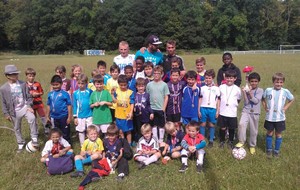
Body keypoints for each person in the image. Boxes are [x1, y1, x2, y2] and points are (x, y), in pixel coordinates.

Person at [0, 65, 39, 152]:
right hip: (13, 111)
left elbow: (28, 96)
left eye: (16, 74)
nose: (16, 75)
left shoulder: (22, 84)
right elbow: (3, 102)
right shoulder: (3, 88)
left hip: (24, 107)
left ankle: (34, 138)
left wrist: (29, 106)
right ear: (8, 76)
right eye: (14, 74)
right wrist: (6, 113)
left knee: (32, 118)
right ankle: (20, 143)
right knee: (17, 127)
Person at [262, 73, 294, 158]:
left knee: (278, 134)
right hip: (269, 117)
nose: (279, 84)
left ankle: (276, 151)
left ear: (283, 82)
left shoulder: (285, 91)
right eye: (277, 82)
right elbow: (262, 98)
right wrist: (265, 107)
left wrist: (286, 107)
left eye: (280, 82)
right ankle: (269, 150)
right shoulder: (268, 90)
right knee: (269, 133)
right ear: (273, 82)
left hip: (280, 118)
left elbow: (291, 99)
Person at [235, 72, 263, 154]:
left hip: (255, 113)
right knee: (241, 124)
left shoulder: (260, 90)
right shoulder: (247, 89)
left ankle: (252, 145)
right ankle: (241, 141)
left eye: (255, 81)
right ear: (249, 81)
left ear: (258, 82)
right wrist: (244, 92)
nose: (254, 83)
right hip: (246, 111)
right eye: (252, 81)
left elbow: (255, 101)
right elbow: (246, 102)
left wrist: (249, 92)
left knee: (253, 130)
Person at [218, 70, 241, 149]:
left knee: (232, 128)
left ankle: (231, 141)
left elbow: (238, 99)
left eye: (231, 78)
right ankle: (222, 141)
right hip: (223, 111)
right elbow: (218, 98)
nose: (229, 79)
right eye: (227, 77)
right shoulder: (221, 87)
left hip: (232, 112)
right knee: (222, 127)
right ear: (225, 78)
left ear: (235, 78)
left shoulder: (237, 89)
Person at [146, 65, 170, 143]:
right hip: (152, 108)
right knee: (154, 124)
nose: (156, 75)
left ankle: (161, 139)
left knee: (161, 125)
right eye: (155, 73)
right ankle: (155, 138)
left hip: (160, 108)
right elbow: (147, 96)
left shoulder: (164, 85)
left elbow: (166, 97)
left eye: (158, 73)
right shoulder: (149, 84)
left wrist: (164, 108)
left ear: (161, 74)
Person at [46, 75, 72, 143]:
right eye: (53, 85)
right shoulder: (50, 94)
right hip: (54, 117)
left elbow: (69, 105)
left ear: (61, 84)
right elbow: (48, 105)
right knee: (55, 132)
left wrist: (69, 117)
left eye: (57, 84)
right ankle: (57, 145)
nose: (55, 86)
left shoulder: (65, 94)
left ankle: (67, 145)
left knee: (65, 132)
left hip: (63, 116)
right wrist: (47, 115)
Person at [199, 69, 220, 148]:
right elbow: (200, 99)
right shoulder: (202, 88)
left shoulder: (216, 88)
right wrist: (198, 110)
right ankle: (202, 139)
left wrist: (218, 110)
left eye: (209, 78)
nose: (207, 79)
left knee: (211, 124)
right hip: (203, 108)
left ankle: (211, 140)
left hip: (212, 108)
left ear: (213, 78)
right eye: (206, 78)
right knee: (203, 124)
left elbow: (218, 100)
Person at [111, 74, 134, 145]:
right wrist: (112, 94)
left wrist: (131, 112)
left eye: (125, 85)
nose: (123, 86)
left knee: (128, 130)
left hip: (127, 116)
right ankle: (123, 143)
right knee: (120, 131)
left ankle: (129, 144)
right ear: (118, 84)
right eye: (121, 85)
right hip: (119, 115)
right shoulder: (117, 91)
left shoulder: (130, 92)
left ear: (127, 84)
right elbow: (115, 101)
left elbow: (132, 103)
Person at [25, 67, 48, 134]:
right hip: (30, 105)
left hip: (38, 103)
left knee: (43, 117)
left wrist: (37, 94)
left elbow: (42, 92)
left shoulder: (37, 84)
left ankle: (47, 129)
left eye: (33, 76)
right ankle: (35, 131)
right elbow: (23, 95)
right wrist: (31, 94)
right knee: (33, 119)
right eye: (29, 76)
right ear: (26, 76)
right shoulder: (24, 85)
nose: (31, 77)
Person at [73, 74, 93, 145]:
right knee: (81, 131)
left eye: (82, 83)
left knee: (90, 129)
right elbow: (75, 106)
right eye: (79, 83)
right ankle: (83, 145)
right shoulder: (75, 93)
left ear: (86, 83)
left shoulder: (90, 92)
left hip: (89, 114)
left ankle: (91, 144)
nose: (80, 85)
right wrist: (75, 117)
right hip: (80, 115)